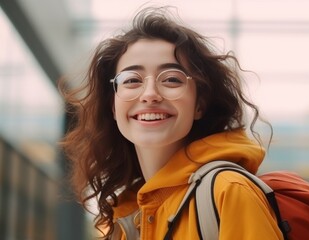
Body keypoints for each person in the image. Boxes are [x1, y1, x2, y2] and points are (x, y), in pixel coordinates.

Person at [61, 6, 283, 239]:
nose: (150, 94)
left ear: (199, 104)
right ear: (113, 107)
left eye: (171, 79)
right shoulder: (128, 216)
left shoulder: (228, 192)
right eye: (132, 80)